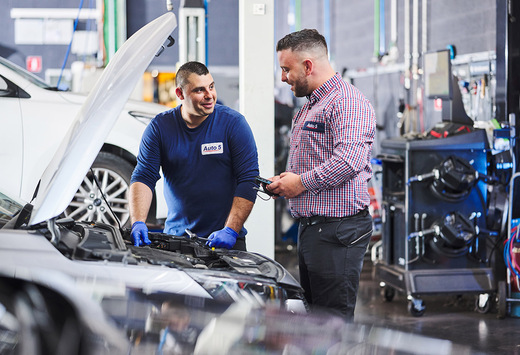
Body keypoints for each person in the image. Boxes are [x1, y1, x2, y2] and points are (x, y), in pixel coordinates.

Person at [267, 29, 376, 320]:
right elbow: (317, 159)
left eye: (286, 69)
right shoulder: (313, 104)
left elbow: (348, 161)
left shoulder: (347, 102)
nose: (282, 78)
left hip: (336, 231)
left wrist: (300, 183)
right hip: (314, 229)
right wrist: (287, 179)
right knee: (316, 322)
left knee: (332, 323)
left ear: (308, 66)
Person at [129, 61, 259, 250]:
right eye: (199, 90)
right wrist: (138, 221)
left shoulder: (233, 124)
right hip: (177, 240)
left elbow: (249, 179)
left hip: (226, 239)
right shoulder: (160, 128)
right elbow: (143, 176)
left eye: (211, 87)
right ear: (180, 94)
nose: (209, 96)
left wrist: (231, 230)